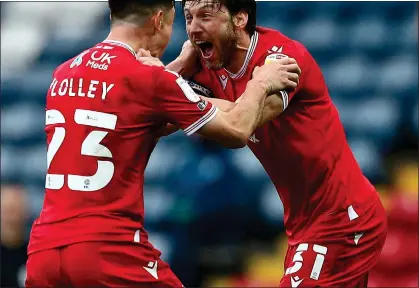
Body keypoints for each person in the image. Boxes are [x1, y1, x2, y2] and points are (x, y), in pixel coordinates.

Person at [25, 0, 301, 287]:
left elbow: (132, 114)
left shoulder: (63, 74)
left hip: (44, 250)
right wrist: (261, 82)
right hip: (107, 248)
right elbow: (236, 129)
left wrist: (176, 70)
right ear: (158, 21)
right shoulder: (148, 79)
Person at [145, 0, 389, 286]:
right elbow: (156, 124)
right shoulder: (207, 66)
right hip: (304, 225)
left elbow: (241, 124)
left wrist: (179, 90)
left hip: (342, 219)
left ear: (239, 18)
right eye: (188, 18)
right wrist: (175, 72)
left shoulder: (281, 61)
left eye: (205, 16)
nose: (194, 28)